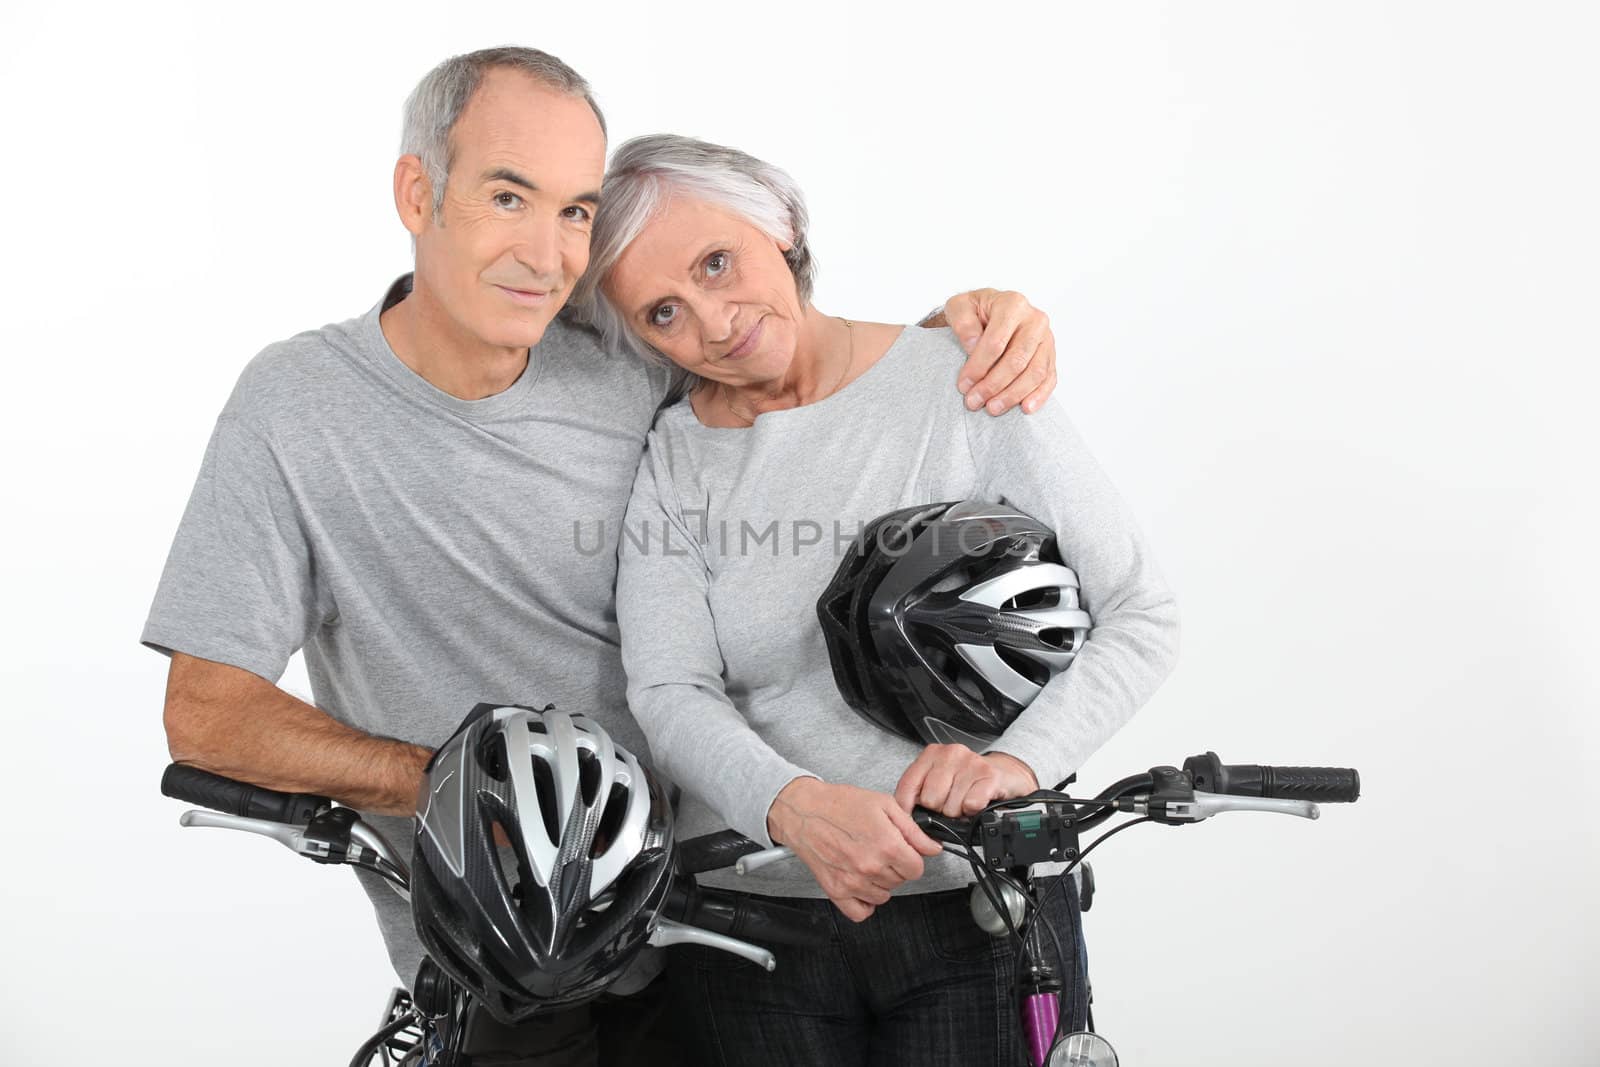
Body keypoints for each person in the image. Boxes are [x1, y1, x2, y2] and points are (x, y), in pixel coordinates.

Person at [143, 47, 1062, 1066]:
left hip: (717, 918)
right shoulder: (296, 404)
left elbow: (794, 379)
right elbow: (209, 707)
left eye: (576, 210)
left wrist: (958, 339)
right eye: (508, 195)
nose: (546, 254)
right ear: (418, 191)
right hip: (503, 953)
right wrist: (465, 786)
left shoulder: (629, 345)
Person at [585, 134, 1181, 1065]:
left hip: (981, 906)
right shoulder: (675, 460)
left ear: (778, 225)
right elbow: (668, 690)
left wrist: (1016, 764)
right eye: (664, 310)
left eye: (717, 261)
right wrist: (791, 805)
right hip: (750, 930)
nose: (712, 318)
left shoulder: (966, 376)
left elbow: (1139, 612)